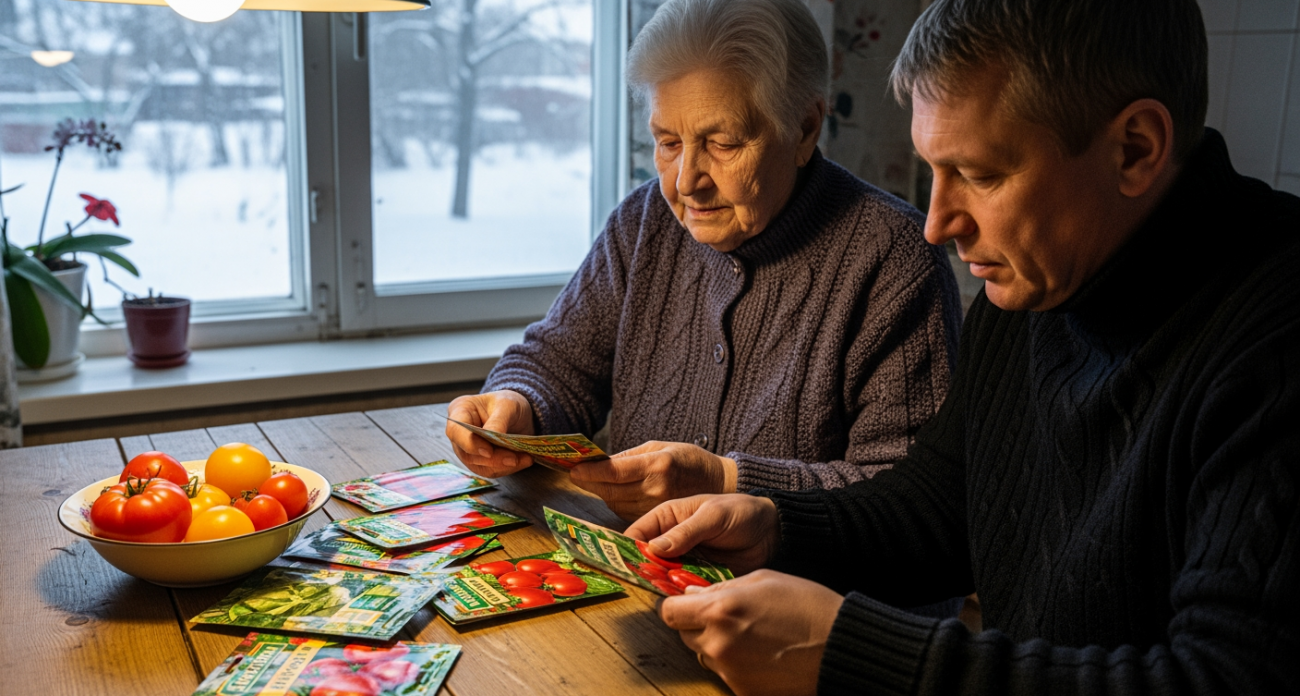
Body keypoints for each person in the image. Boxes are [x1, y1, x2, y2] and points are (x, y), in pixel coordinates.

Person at [625, 0, 1300, 694]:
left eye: (979, 175)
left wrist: (853, 651)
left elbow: (1224, 677)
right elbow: (940, 508)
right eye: (933, 170)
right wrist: (774, 527)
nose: (938, 224)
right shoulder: (1041, 278)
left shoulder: (1278, 340)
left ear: (1134, 148)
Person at [446, 0, 962, 520]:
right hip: (642, 570)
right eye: (668, 142)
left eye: (721, 142)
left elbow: (908, 502)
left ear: (805, 128)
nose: (686, 181)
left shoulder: (896, 259)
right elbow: (559, 362)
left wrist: (727, 481)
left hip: (803, 597)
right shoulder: (644, 221)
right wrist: (519, 404)